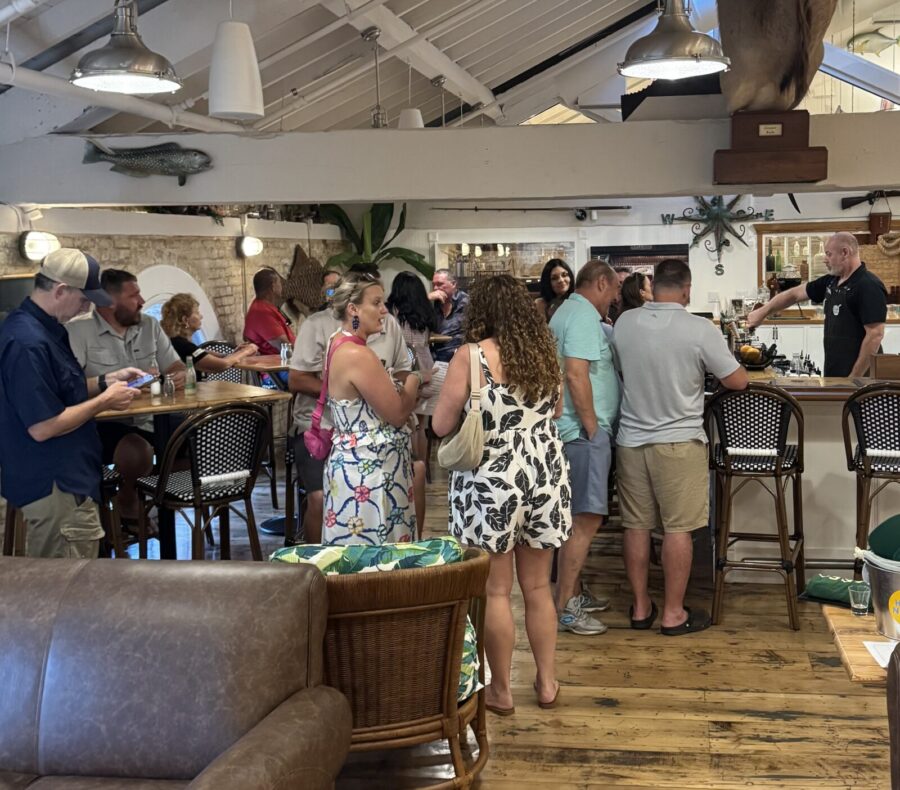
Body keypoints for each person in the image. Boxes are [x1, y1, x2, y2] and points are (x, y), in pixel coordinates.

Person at [433, 274, 571, 714]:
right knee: (537, 587)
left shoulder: (470, 357)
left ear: (483, 312)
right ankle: (547, 683)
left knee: (496, 591)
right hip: (544, 472)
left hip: (492, 477)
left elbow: (438, 425)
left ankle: (501, 691)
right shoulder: (545, 354)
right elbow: (556, 411)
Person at [614, 259, 748, 635]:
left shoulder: (625, 323)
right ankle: (673, 613)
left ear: (653, 286)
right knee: (678, 529)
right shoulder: (698, 328)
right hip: (678, 442)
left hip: (630, 440)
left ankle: (641, 608)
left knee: (636, 526)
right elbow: (737, 380)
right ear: (687, 290)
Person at [0, 249, 141, 558]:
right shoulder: (28, 342)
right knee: (64, 593)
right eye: (84, 299)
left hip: (69, 476)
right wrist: (104, 401)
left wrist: (106, 380)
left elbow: (61, 390)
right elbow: (43, 426)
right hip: (56, 484)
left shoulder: (45, 330)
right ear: (61, 290)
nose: (87, 306)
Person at [289, 273, 419, 544]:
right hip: (369, 474)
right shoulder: (358, 354)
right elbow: (396, 414)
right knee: (374, 557)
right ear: (353, 309)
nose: (384, 310)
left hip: (357, 464)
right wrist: (414, 383)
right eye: (377, 303)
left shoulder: (338, 340)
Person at [66, 269, 186, 525]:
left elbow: (175, 367)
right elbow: (69, 387)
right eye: (134, 295)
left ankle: (159, 498)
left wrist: (177, 377)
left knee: (196, 434)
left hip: (150, 417)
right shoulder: (77, 331)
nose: (142, 301)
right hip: (101, 422)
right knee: (136, 450)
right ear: (109, 302)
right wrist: (108, 385)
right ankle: (128, 498)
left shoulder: (149, 326)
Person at [549, 259, 621, 635]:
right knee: (586, 518)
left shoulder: (570, 312)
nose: (615, 298)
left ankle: (571, 593)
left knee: (575, 518)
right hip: (581, 433)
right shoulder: (580, 316)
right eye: (614, 290)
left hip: (574, 432)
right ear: (601, 283)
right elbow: (576, 375)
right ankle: (564, 608)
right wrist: (594, 429)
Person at [747, 232, 887, 376]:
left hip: (861, 379)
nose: (825, 260)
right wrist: (763, 312)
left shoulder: (868, 285)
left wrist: (853, 379)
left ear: (845, 252)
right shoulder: (831, 281)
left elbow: (875, 334)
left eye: (829, 254)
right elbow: (794, 294)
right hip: (835, 371)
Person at [386, 272, 441, 462]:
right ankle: (422, 470)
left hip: (406, 372)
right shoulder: (426, 310)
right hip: (428, 371)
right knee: (421, 426)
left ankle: (410, 468)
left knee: (408, 424)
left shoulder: (392, 313)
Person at [160, 293, 258, 377]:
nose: (201, 316)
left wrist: (234, 354)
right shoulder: (181, 345)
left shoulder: (178, 342)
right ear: (185, 320)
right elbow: (221, 365)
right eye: (197, 313)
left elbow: (201, 353)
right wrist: (247, 350)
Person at [243, 268, 296, 357]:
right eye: (279, 283)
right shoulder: (261, 312)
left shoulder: (264, 307)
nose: (281, 286)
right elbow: (284, 347)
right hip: (278, 366)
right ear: (273, 286)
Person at [428, 268, 469, 363]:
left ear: (453, 284)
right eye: (434, 284)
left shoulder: (467, 303)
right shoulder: (434, 303)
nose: (435, 288)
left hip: (460, 358)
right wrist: (426, 298)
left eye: (440, 284)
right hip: (436, 359)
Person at [534, 258, 575, 322]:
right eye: (554, 278)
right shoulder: (541, 304)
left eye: (564, 275)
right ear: (547, 282)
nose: (561, 280)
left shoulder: (578, 300)